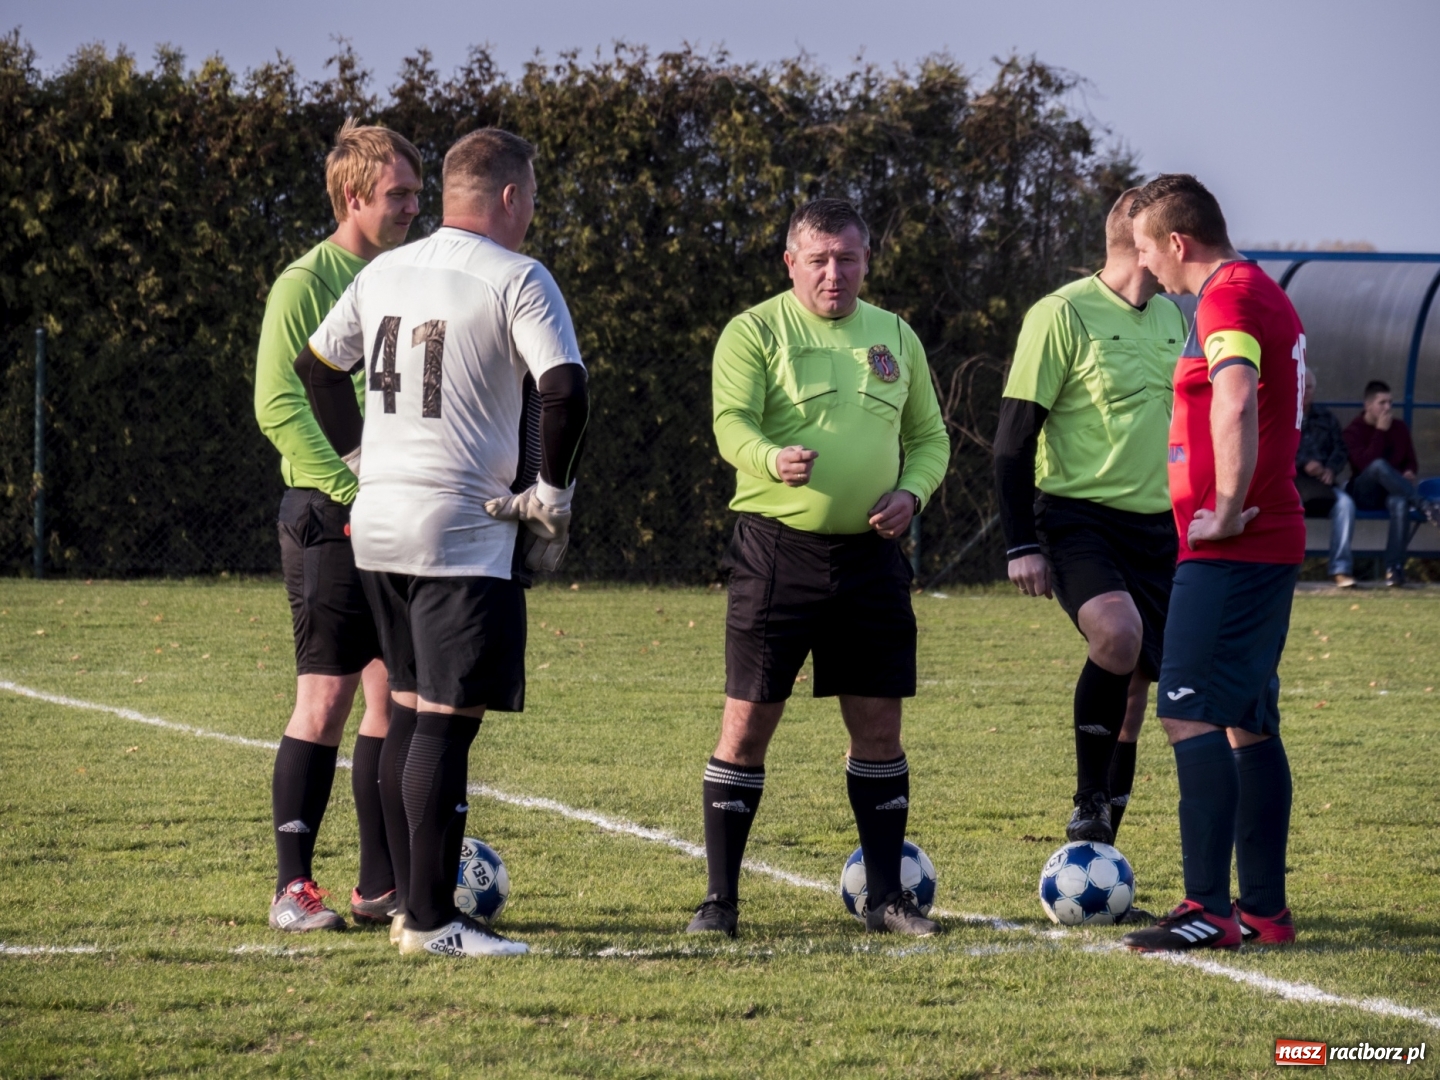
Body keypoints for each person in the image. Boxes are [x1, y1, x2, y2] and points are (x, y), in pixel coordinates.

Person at [295, 127, 590, 958]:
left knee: (411, 713)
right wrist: (551, 498)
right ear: (507, 197)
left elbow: (317, 367)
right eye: (529, 196)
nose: (530, 213)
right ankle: (428, 921)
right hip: (462, 528)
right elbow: (564, 388)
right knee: (445, 726)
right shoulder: (519, 276)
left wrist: (362, 458)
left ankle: (405, 902)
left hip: (378, 526)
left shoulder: (382, 269)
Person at [689, 198, 951, 939]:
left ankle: (887, 901)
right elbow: (730, 423)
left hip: (872, 560)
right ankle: (720, 902)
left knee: (878, 729)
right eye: (819, 259)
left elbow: (929, 436)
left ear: (867, 261)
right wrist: (771, 458)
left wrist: (912, 491)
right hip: (778, 553)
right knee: (746, 725)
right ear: (791, 262)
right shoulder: (755, 330)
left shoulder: (894, 334)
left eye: (848, 259)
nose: (834, 273)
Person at [1122, 174, 1304, 952]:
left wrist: (1227, 506)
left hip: (1233, 550)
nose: (1144, 269)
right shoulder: (1259, 291)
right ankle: (1263, 909)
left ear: (1176, 243)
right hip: (1257, 548)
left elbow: (1234, 398)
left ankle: (1211, 909)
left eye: (1144, 250)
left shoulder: (1227, 298)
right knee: (1246, 723)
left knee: (1187, 711)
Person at [254, 119, 423, 933]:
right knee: (324, 700)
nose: (412, 209)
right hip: (329, 514)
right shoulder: (304, 282)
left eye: (418, 195)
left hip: (399, 513)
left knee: (393, 702)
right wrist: (350, 485)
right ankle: (293, 887)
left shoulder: (411, 280)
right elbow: (279, 404)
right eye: (398, 195)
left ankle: (377, 886)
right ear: (353, 195)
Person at [994, 189, 1185, 858]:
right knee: (1116, 632)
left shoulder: (1171, 319)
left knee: (1136, 693)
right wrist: (1021, 542)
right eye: (1167, 234)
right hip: (1077, 518)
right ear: (1141, 244)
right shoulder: (1061, 314)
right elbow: (1014, 439)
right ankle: (1087, 800)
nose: (1177, 246)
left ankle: (1100, 858)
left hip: (1159, 531)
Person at [1342, 380, 1440, 586]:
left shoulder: (1400, 428)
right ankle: (1425, 505)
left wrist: (1408, 472)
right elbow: (1364, 464)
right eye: (1382, 403)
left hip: (1392, 492)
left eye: (1390, 403)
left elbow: (1411, 461)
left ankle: (1393, 570)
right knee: (1378, 466)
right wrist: (1379, 432)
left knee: (1400, 503)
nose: (1388, 408)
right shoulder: (1353, 431)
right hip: (1364, 493)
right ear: (1368, 406)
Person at [1295, 369, 1356, 587]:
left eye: (1310, 387)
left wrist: (1330, 468)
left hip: (1323, 484)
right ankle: (1291, 568)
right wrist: (1303, 464)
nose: (1306, 391)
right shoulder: (1283, 415)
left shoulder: (1327, 417)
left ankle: (1340, 570)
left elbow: (1341, 449)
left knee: (1346, 505)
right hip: (1292, 483)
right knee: (1290, 509)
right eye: (1302, 386)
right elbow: (1275, 449)